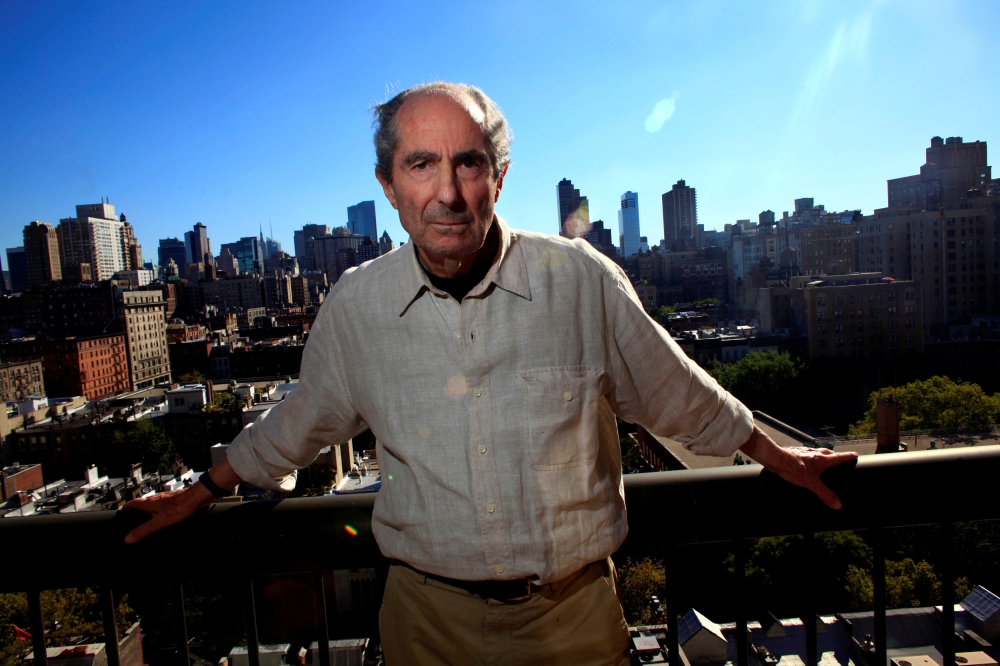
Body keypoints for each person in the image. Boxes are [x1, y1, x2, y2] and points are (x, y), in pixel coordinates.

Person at [124, 82, 857, 665]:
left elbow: (675, 390)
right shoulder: (358, 307)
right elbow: (301, 420)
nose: (446, 192)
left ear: (499, 178)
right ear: (389, 185)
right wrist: (204, 489)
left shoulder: (579, 281)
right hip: (425, 625)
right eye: (420, 164)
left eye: (467, 163)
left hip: (573, 621)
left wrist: (775, 455)